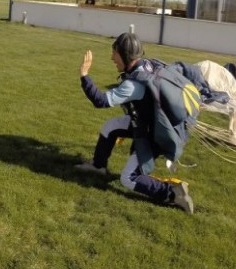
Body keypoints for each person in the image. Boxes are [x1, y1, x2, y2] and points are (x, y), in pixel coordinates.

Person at [74, 32, 196, 214]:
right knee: (110, 127)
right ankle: (98, 166)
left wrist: (84, 76)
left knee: (128, 178)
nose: (112, 58)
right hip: (148, 123)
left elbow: (101, 101)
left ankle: (173, 194)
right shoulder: (148, 65)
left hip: (156, 135)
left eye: (115, 53)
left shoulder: (133, 85)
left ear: (125, 55)